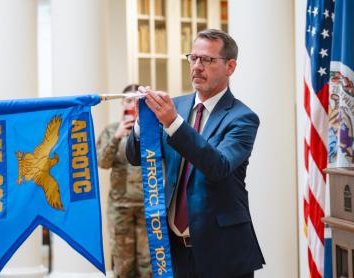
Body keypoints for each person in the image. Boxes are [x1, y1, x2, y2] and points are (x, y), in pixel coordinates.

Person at [126, 29, 265, 277]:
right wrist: (141, 123)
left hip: (223, 251)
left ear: (230, 66)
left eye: (208, 60)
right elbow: (136, 158)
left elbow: (218, 166)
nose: (197, 67)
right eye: (193, 58)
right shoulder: (175, 106)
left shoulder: (242, 118)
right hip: (173, 250)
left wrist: (173, 124)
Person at [96, 84, 152, 278]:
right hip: (120, 207)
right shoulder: (111, 130)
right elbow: (102, 163)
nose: (132, 104)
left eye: (138, 101)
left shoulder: (152, 130)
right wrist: (117, 137)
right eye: (129, 100)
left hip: (149, 205)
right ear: (122, 103)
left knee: (149, 264)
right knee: (123, 263)